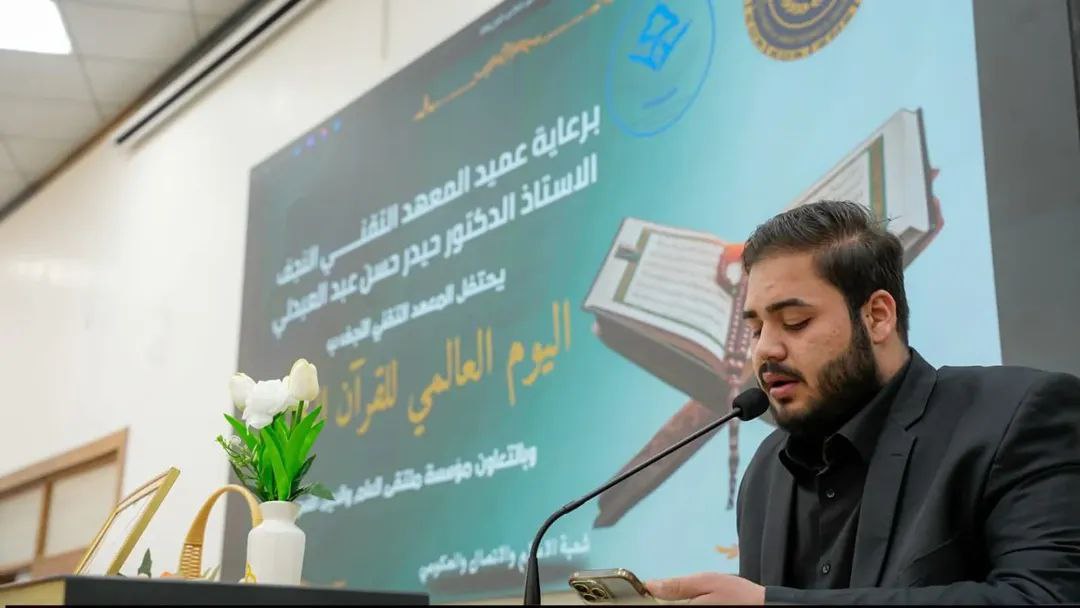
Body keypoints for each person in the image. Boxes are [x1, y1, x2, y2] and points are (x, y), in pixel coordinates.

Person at [645, 200, 1080, 604]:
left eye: (795, 322)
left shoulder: (1018, 416)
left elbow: (1044, 597)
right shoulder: (764, 472)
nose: (764, 351)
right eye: (756, 329)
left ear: (877, 316)